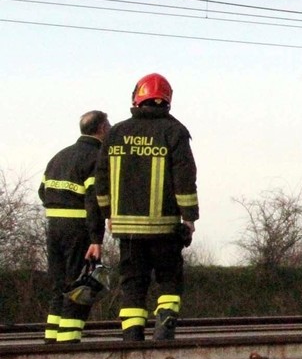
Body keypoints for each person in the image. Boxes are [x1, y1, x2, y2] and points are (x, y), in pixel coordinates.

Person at [88, 73, 198, 342]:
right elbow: (184, 177)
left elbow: (100, 180)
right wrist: (190, 217)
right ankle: (165, 327)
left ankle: (132, 337)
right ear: (167, 100)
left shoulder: (115, 133)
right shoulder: (175, 131)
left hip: (127, 229)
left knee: (133, 282)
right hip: (165, 226)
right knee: (168, 277)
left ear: (137, 98)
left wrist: (108, 215)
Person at [38, 110, 110, 344]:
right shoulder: (96, 157)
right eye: (108, 126)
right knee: (80, 285)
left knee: (59, 285)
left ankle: (51, 339)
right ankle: (68, 343)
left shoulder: (59, 156)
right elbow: (94, 200)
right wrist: (96, 239)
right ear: (101, 129)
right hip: (78, 228)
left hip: (54, 226)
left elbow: (42, 191)